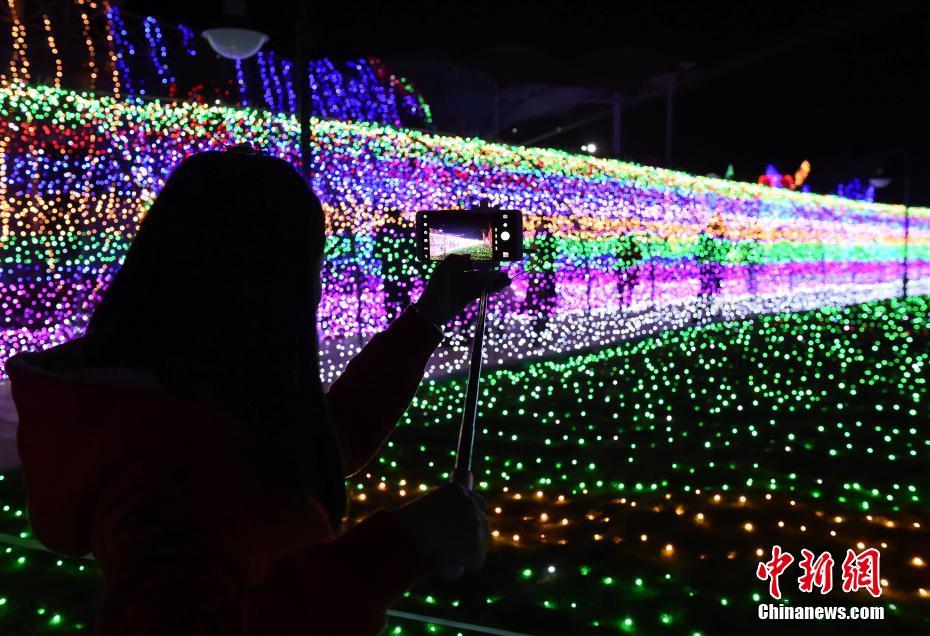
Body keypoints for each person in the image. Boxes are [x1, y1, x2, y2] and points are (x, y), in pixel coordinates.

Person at [6, 148, 510, 634]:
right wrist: (394, 550)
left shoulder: (193, 402)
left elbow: (318, 447)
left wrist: (430, 314)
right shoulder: (169, 467)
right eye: (307, 267)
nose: (313, 293)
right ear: (259, 286)